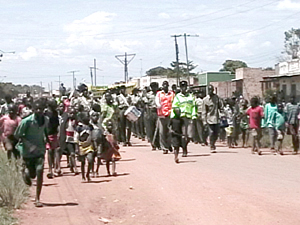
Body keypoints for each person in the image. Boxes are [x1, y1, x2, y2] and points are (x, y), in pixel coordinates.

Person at [14, 99, 49, 207]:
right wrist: (28, 144)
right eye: (37, 109)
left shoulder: (46, 120)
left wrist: (47, 141)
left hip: (40, 150)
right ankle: (25, 172)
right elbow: (17, 135)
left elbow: (45, 131)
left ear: (44, 110)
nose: (39, 111)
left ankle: (37, 198)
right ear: (33, 110)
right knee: (31, 174)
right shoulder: (27, 121)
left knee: (40, 171)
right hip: (28, 151)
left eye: (41, 109)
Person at [171, 81, 197, 157]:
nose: (184, 88)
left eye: (185, 86)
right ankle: (184, 149)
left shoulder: (191, 96)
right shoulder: (177, 97)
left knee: (189, 135)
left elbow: (194, 106)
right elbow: (174, 107)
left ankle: (184, 145)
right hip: (181, 118)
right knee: (183, 135)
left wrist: (194, 115)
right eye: (182, 87)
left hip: (189, 118)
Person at [155, 81, 175, 154]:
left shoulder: (172, 94)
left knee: (170, 131)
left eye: (166, 85)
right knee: (162, 132)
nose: (165, 86)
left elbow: (174, 102)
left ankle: (169, 144)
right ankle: (164, 147)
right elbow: (157, 101)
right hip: (162, 115)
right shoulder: (159, 94)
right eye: (164, 85)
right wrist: (159, 105)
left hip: (170, 114)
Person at [202, 85, 223, 153]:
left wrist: (222, 113)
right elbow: (204, 111)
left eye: (211, 90)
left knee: (216, 133)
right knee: (211, 132)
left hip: (216, 118)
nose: (210, 91)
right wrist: (204, 121)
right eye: (209, 90)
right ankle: (211, 145)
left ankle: (213, 142)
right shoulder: (205, 100)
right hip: (209, 119)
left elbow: (221, 106)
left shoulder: (217, 98)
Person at [44, 99, 60, 179]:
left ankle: (56, 167)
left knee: (56, 150)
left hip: (54, 134)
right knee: (50, 151)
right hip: (47, 134)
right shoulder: (45, 113)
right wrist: (45, 136)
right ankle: (50, 169)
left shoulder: (55, 113)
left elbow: (57, 124)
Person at [76, 116, 94, 182]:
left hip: (89, 145)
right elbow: (76, 138)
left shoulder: (90, 126)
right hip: (81, 146)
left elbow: (93, 135)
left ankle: (88, 174)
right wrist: (77, 148)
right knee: (83, 162)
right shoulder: (79, 127)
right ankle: (83, 176)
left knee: (90, 160)